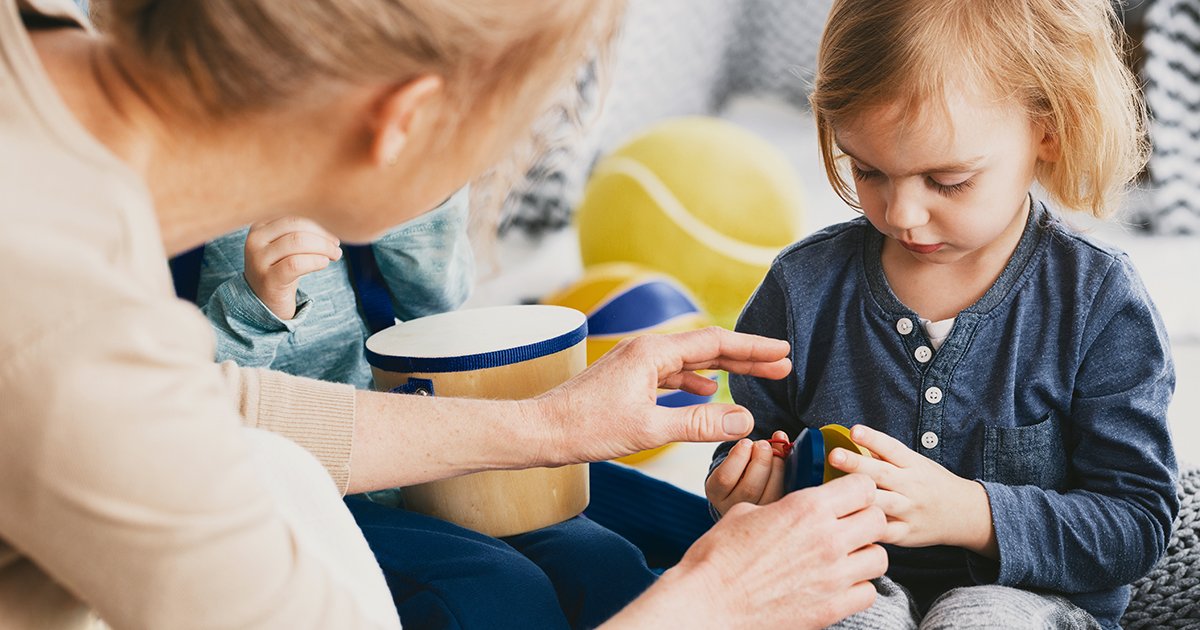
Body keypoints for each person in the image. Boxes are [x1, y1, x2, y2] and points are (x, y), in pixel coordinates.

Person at [0, 0, 890, 628]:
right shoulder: (72, 337)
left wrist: (547, 423)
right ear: (406, 118)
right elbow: (115, 407)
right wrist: (710, 607)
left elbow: (210, 413)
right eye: (514, 128)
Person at [705, 0, 1179, 628]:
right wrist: (740, 491)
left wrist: (970, 512)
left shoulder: (1097, 301)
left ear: (1049, 128)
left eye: (948, 180)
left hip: (1035, 598)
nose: (901, 213)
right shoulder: (801, 289)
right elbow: (750, 444)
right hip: (847, 576)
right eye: (868, 170)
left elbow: (1134, 524)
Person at [192, 198, 660, 629]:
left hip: (412, 448)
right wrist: (254, 304)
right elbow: (183, 409)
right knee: (493, 592)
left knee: (604, 562)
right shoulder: (188, 210)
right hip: (296, 484)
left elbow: (436, 310)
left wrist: (418, 202)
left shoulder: (362, 156)